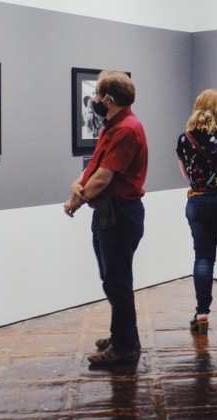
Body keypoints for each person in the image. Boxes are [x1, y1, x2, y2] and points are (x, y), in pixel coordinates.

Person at [63, 70, 147, 366]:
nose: (95, 101)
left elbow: (103, 178)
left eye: (97, 96)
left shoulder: (125, 129)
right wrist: (79, 183)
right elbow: (95, 168)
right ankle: (124, 335)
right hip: (110, 213)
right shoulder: (112, 126)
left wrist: (75, 198)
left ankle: (125, 347)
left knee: (117, 280)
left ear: (109, 99)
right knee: (112, 279)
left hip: (119, 214)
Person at [176, 88, 217, 334]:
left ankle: (202, 313)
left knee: (203, 258)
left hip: (198, 203)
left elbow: (186, 175)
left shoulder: (185, 138)